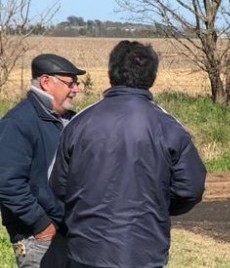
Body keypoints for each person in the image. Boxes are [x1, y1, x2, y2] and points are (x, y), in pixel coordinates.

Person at [50, 41, 206, 268]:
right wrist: (156, 206)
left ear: (111, 73)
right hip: (142, 251)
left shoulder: (80, 123)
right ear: (152, 76)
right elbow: (190, 187)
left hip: (87, 251)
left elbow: (59, 186)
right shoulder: (168, 126)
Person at [0, 53, 85, 268]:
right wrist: (42, 225)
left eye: (76, 83)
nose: (75, 89)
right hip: (37, 237)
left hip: (68, 231)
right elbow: (8, 184)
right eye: (70, 83)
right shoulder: (18, 123)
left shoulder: (68, 120)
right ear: (46, 82)